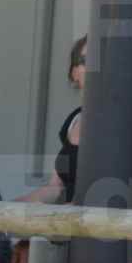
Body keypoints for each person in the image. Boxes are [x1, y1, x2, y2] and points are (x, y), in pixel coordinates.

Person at [18, 35, 85, 204]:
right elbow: (55, 187)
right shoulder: (74, 120)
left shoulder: (130, 122)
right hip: (69, 224)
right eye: (86, 61)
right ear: (74, 72)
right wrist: (10, 207)